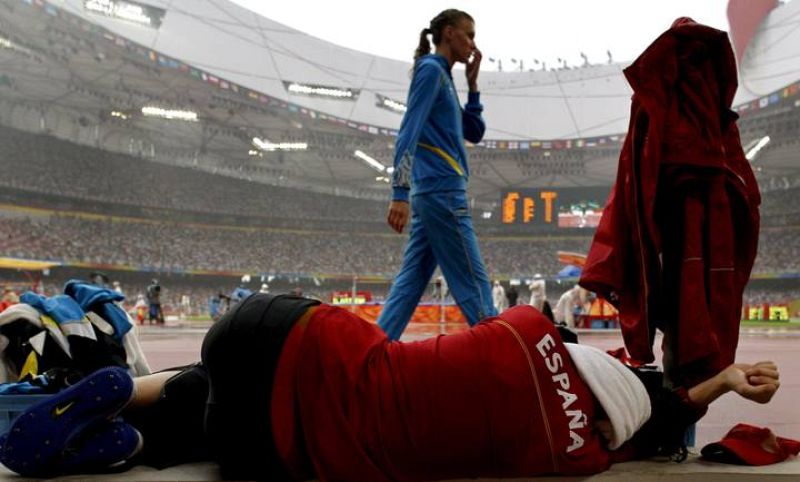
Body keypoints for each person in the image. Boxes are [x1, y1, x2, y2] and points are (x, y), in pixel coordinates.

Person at [0, 294, 781, 480]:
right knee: (232, 428)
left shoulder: (527, 326)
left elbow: (652, 395)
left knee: (233, 374)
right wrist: (723, 385)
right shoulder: (573, 456)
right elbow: (661, 413)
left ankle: (128, 396)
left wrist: (719, 382)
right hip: (275, 448)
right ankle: (126, 445)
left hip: (273, 329)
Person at [378, 8, 496, 340]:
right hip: (443, 192)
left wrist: (473, 88)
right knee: (474, 282)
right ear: (448, 33)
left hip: (434, 193)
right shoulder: (430, 71)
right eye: (469, 34)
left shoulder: (443, 76)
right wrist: (399, 193)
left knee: (411, 281)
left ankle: (372, 351)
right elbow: (407, 131)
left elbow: (473, 131)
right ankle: (502, 350)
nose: (473, 44)